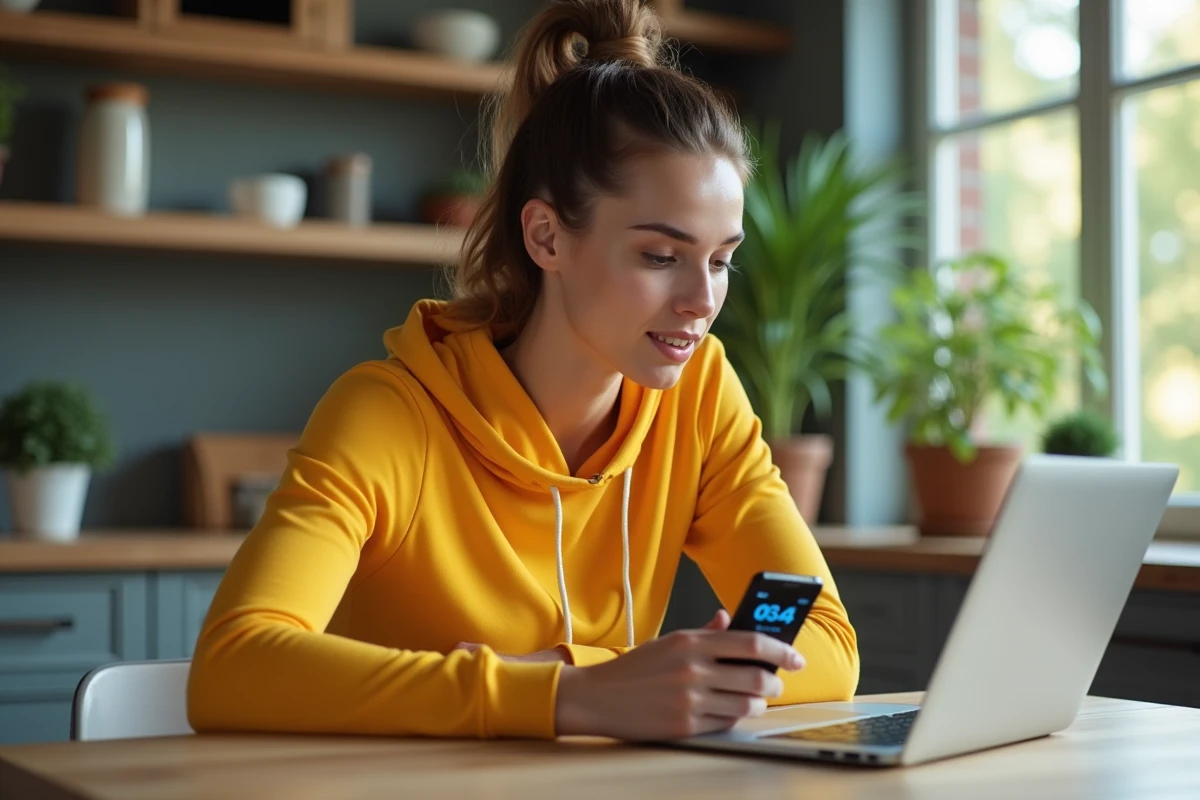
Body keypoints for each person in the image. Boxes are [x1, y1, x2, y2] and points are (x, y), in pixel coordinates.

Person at [188, 0, 858, 742]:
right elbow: (233, 666)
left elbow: (828, 646)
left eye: (722, 260)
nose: (702, 301)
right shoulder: (388, 415)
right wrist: (570, 694)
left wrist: (597, 678)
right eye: (660, 256)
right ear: (546, 237)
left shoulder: (700, 396)